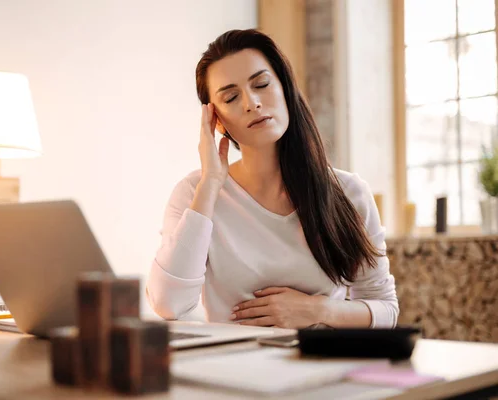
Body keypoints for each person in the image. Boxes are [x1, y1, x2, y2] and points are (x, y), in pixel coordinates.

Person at [146, 29, 398, 329]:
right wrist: (211, 183)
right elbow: (168, 305)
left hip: (322, 369)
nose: (251, 102)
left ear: (284, 88)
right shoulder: (195, 193)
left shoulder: (348, 192)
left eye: (262, 84)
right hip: (234, 370)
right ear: (216, 120)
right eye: (231, 97)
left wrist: (319, 310)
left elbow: (386, 311)